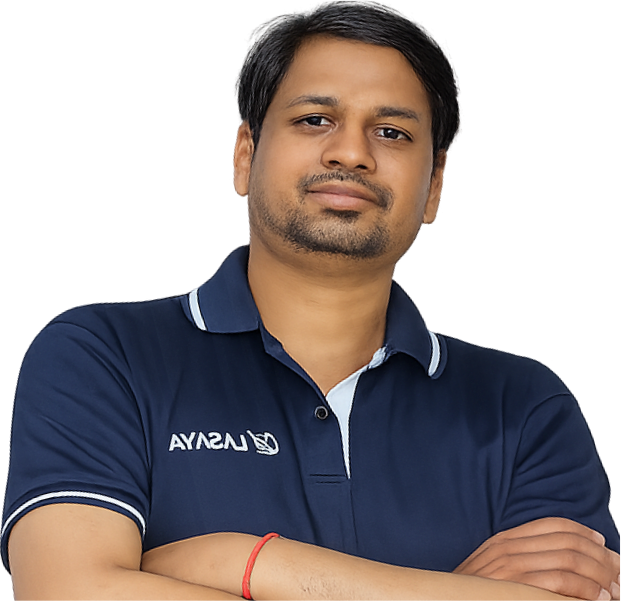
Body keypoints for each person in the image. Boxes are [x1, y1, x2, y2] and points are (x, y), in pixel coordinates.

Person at [1, 1, 620, 600]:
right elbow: (69, 592)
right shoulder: (102, 357)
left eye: (391, 132)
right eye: (315, 120)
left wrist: (241, 563)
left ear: (435, 186)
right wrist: (460, 593)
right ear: (244, 155)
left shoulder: (525, 409)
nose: (351, 153)